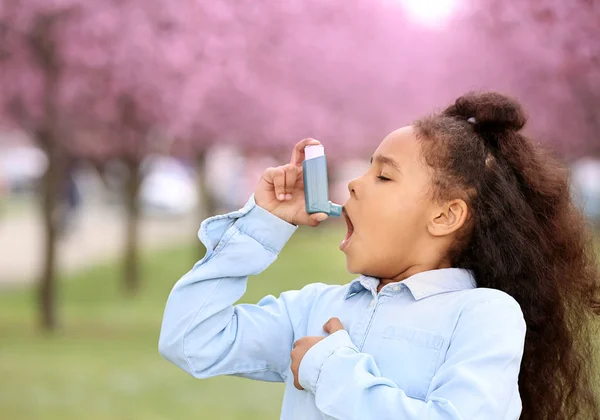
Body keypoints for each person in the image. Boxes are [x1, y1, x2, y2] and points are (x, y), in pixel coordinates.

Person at [158, 92, 600, 420]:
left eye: (384, 175)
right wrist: (261, 226)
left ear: (446, 215)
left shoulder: (484, 315)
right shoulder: (314, 308)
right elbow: (191, 338)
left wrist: (331, 369)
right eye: (366, 167)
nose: (353, 184)